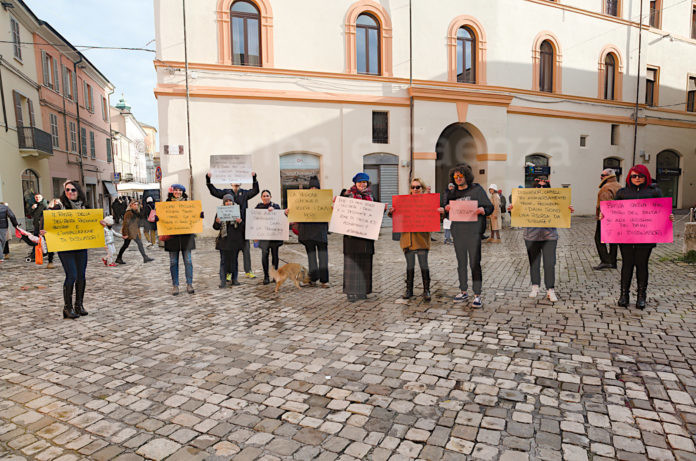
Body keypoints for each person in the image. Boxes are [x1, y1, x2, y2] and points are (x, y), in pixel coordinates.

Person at [603, 165, 674, 309]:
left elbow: (662, 211)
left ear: (646, 177)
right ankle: (624, 294)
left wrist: (669, 216)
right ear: (629, 177)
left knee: (642, 265)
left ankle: (641, 296)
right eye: (634, 176)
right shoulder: (622, 192)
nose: (637, 178)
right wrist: (604, 216)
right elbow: (613, 211)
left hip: (646, 236)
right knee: (627, 264)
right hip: (626, 235)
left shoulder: (654, 192)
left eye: (640, 176)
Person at [509, 176, 574, 303]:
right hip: (531, 236)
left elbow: (562, 213)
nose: (541, 188)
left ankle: (550, 289)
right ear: (534, 187)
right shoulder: (526, 199)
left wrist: (568, 210)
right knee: (534, 263)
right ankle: (535, 286)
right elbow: (518, 215)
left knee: (550, 264)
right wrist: (512, 210)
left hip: (549, 236)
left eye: (544, 186)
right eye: (539, 186)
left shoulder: (555, 200)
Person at [441, 164, 493, 308]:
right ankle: (463, 291)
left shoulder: (477, 189)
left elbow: (490, 207)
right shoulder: (452, 193)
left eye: (460, 176)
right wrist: (446, 209)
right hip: (458, 233)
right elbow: (446, 210)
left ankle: (477, 294)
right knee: (461, 263)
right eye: (455, 177)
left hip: (474, 233)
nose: (458, 179)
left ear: (466, 176)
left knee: (475, 263)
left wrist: (483, 210)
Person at [43, 181, 96, 319]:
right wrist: (45, 230)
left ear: (78, 191)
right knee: (71, 275)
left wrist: (100, 224)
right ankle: (67, 308)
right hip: (65, 247)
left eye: (73, 190)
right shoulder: (59, 206)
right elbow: (48, 221)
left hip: (81, 245)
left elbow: (93, 223)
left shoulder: (85, 207)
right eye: (67, 190)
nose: (70, 192)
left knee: (81, 275)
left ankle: (79, 305)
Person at [388, 177, 434, 301]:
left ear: (422, 188)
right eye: (413, 187)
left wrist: (441, 212)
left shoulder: (428, 201)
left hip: (421, 239)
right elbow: (397, 215)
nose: (415, 189)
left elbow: (435, 218)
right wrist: (392, 212)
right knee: (410, 266)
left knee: (424, 265)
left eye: (418, 187)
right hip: (407, 239)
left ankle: (426, 290)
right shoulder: (404, 201)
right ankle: (409, 290)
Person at [206, 172, 259, 279]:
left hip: (242, 225)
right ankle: (229, 273)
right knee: (231, 253)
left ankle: (248, 270)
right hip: (230, 229)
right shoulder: (226, 192)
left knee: (246, 249)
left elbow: (255, 191)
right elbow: (214, 191)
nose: (236, 181)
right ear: (230, 183)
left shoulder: (245, 193)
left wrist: (254, 178)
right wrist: (208, 179)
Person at [342, 172, 379, 302]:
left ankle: (363, 290)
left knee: (365, 264)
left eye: (364, 182)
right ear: (355, 183)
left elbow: (376, 214)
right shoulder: (347, 195)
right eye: (360, 182)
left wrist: (383, 210)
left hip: (366, 237)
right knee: (351, 265)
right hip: (351, 237)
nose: (362, 184)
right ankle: (351, 292)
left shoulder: (372, 197)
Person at [163, 184, 201, 295]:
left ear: (183, 192)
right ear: (172, 191)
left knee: (188, 261)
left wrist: (199, 216)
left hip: (186, 237)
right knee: (173, 262)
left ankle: (189, 284)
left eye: (180, 190)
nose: (178, 192)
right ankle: (175, 285)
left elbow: (194, 218)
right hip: (172, 237)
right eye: (176, 190)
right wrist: (158, 218)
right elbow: (163, 218)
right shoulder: (166, 204)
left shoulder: (188, 204)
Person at [293, 176, 330, 288]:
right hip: (307, 233)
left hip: (321, 232)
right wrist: (289, 213)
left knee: (323, 257)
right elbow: (296, 212)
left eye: (316, 187)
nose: (313, 189)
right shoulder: (303, 199)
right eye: (312, 187)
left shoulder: (324, 198)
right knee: (311, 258)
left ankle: (324, 280)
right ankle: (313, 279)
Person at [213, 194, 245, 288]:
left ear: (232, 201)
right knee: (223, 261)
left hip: (235, 241)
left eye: (230, 201)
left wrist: (240, 222)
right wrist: (217, 222)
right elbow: (215, 227)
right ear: (224, 202)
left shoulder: (238, 211)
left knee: (234, 261)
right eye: (226, 201)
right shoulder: (220, 211)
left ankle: (234, 279)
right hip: (224, 241)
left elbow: (244, 227)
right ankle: (223, 280)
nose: (228, 203)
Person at [254, 190, 284, 284]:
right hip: (263, 237)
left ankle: (275, 276)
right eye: (264, 196)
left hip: (274, 236)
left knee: (275, 256)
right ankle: (266, 276)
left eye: (267, 195)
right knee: (264, 256)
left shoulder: (276, 206)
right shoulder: (258, 207)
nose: (266, 197)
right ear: (261, 198)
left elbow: (281, 217)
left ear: (270, 197)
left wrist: (274, 211)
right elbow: (254, 220)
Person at [593, 168, 620, 270]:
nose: (600, 177)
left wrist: (601, 216)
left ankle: (605, 261)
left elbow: (605, 204)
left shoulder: (606, 187)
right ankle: (613, 261)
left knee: (599, 238)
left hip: (605, 217)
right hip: (617, 217)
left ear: (608, 176)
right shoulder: (619, 186)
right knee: (613, 240)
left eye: (602, 175)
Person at [115, 200, 154, 265]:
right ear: (131, 205)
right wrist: (125, 234)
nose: (136, 206)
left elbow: (139, 220)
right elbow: (125, 224)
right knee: (128, 245)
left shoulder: (136, 212)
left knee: (135, 244)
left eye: (137, 205)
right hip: (129, 232)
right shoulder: (128, 213)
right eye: (134, 204)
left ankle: (145, 257)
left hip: (134, 231)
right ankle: (119, 258)